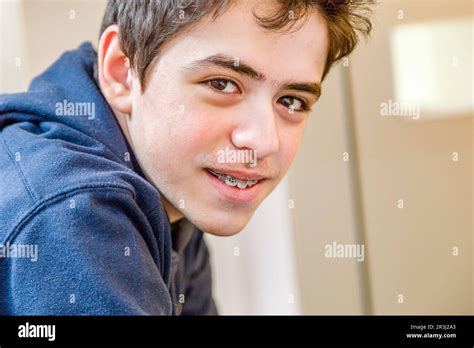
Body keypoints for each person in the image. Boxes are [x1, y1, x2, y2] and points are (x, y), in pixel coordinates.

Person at [0, 0, 372, 315]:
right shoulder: (72, 212)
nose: (263, 142)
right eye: (222, 83)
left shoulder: (175, 188)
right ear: (121, 71)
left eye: (291, 101)